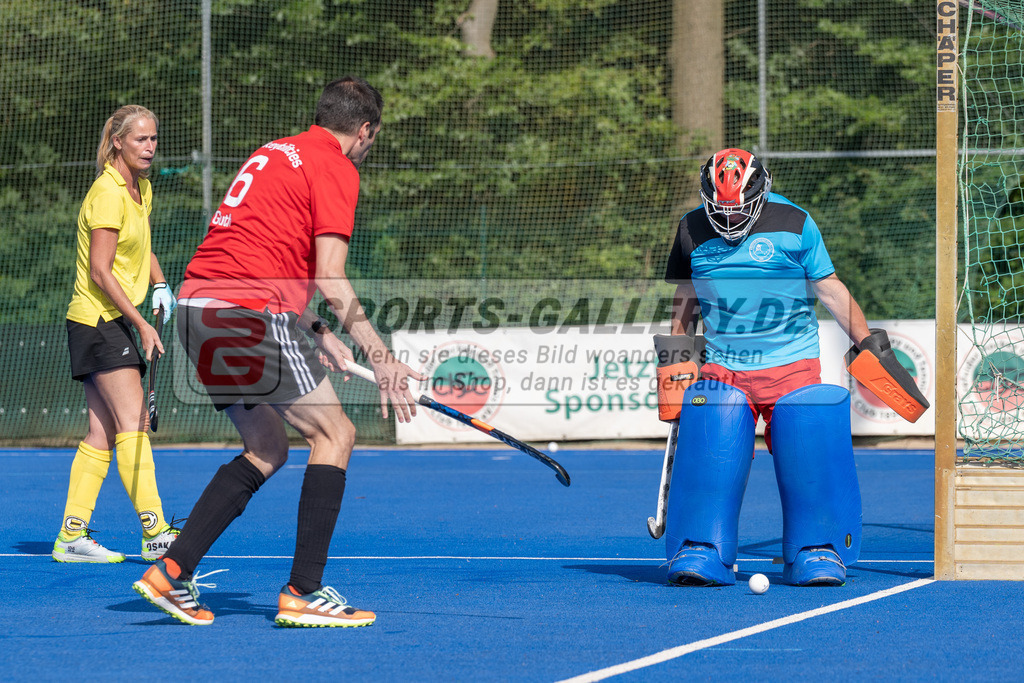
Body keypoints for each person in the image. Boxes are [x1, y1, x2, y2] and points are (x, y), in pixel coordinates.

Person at [133, 76, 423, 627]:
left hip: (199, 309)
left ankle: (170, 573)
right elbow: (331, 278)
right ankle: (304, 592)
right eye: (372, 138)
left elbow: (260, 255)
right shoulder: (337, 166)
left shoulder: (275, 152)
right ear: (364, 130)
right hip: (245, 313)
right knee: (335, 433)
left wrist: (316, 329)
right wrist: (381, 358)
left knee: (267, 447)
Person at [660, 148, 872, 588]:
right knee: (712, 437)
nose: (729, 220)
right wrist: (675, 360)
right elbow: (686, 299)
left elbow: (830, 290)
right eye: (720, 210)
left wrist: (869, 344)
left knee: (806, 438)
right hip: (724, 365)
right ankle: (703, 546)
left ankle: (816, 549)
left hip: (791, 365)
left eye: (738, 210)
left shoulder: (796, 223)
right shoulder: (690, 228)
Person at [56, 105, 179, 564]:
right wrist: (143, 321)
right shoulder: (107, 193)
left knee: (101, 433)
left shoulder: (140, 188)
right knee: (135, 423)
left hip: (109, 320)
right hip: (97, 319)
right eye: (140, 140)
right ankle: (156, 531)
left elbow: (140, 245)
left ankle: (72, 536)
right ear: (118, 144)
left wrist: (160, 283)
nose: (150, 147)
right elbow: (101, 271)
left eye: (153, 138)